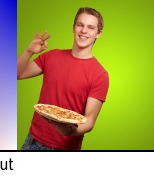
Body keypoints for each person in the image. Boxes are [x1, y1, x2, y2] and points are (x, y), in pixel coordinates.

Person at [17, 7, 109, 150]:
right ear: (73, 28)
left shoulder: (100, 75)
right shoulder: (52, 56)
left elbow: (90, 120)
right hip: (32, 141)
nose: (84, 31)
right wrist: (29, 51)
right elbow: (18, 74)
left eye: (90, 27)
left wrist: (68, 130)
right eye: (80, 25)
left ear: (98, 33)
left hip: (64, 148)